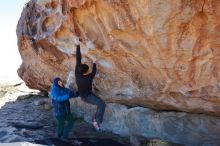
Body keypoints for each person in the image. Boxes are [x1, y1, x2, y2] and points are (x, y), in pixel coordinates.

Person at [74, 38, 106, 131]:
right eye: (87, 71)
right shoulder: (87, 78)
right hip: (87, 97)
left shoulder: (77, 72)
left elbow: (78, 58)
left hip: (84, 95)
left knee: (100, 104)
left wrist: (78, 45)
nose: (89, 71)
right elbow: (94, 72)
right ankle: (96, 121)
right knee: (102, 105)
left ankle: (96, 119)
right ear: (85, 73)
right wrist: (95, 62)